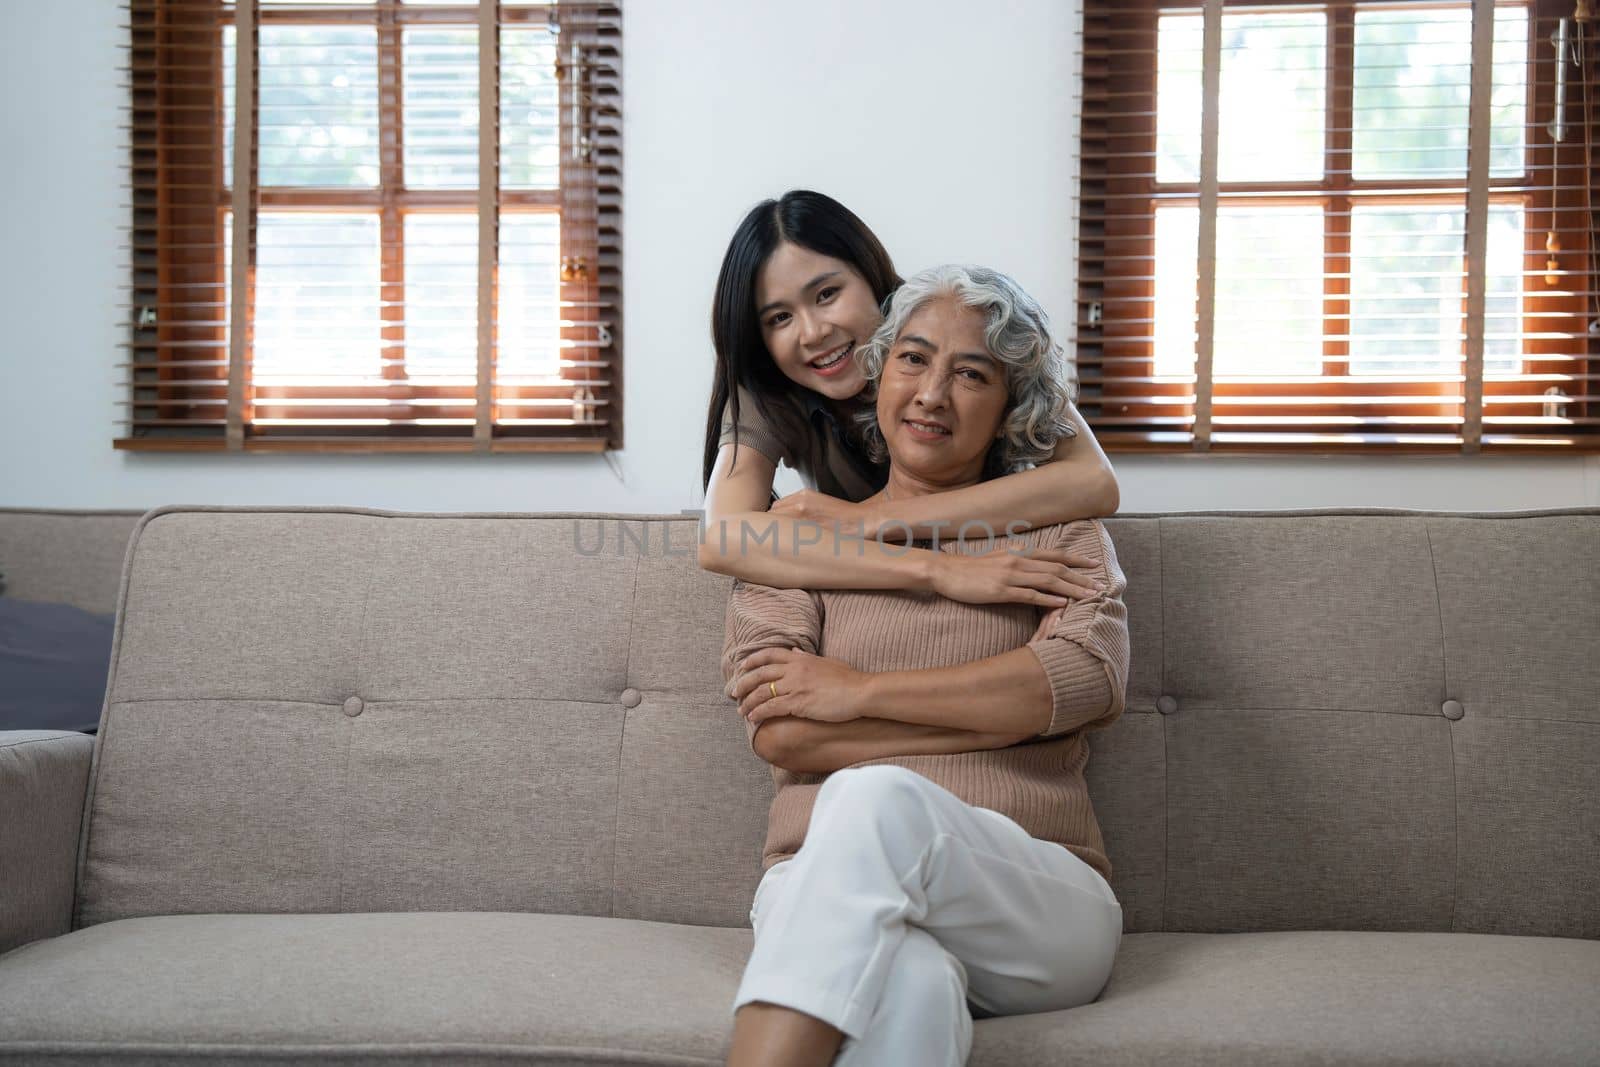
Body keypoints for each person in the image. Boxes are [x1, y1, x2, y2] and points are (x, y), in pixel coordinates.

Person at [720, 265, 1130, 1067]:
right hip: (816, 887)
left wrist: (858, 693)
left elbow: (1078, 681)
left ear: (1012, 407)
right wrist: (989, 714)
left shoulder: (1058, 532)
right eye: (912, 358)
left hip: (1034, 901)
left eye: (971, 373)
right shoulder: (797, 535)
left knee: (873, 794)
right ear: (877, 371)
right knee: (909, 985)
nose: (932, 393)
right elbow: (784, 731)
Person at [700, 190, 1119, 607]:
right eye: (780, 318)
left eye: (827, 294)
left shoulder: (946, 318)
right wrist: (935, 569)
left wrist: (871, 519)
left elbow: (1095, 481)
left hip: (996, 572)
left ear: (870, 272)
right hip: (885, 595)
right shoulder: (770, 391)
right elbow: (721, 537)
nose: (813, 333)